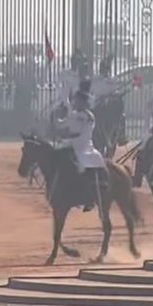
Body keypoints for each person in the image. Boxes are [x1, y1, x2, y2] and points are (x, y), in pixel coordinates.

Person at [57, 84, 107, 212]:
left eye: (78, 100)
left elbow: (82, 133)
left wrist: (67, 135)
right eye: (75, 100)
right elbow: (62, 125)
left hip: (83, 147)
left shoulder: (88, 117)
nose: (75, 102)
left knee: (80, 166)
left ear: (84, 102)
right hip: (69, 145)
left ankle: (88, 197)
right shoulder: (73, 114)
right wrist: (56, 121)